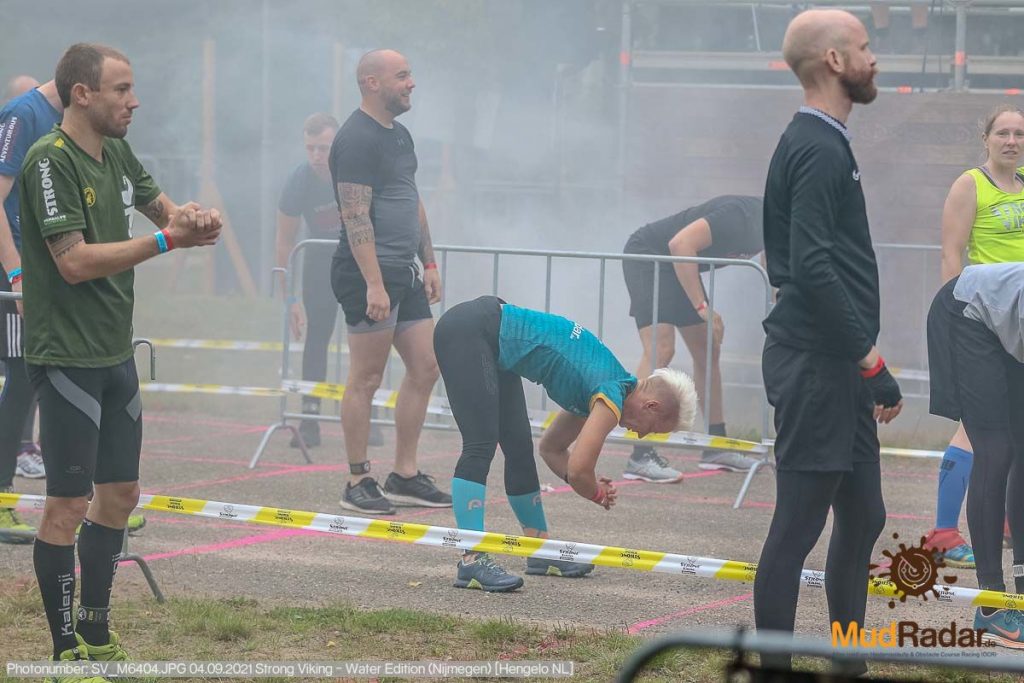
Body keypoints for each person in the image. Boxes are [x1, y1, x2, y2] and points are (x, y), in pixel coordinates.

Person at [19, 43, 220, 675]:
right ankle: (63, 649)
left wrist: (195, 217)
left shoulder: (120, 153)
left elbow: (166, 211)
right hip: (66, 355)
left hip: (115, 351)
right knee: (67, 505)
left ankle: (97, 631)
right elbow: (73, 262)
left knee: (122, 495)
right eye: (121, 89)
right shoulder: (48, 161)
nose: (134, 101)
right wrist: (166, 240)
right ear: (83, 93)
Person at [754, 10, 902, 673]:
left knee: (865, 512)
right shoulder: (815, 144)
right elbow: (810, 265)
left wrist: (860, 358)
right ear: (835, 62)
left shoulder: (825, 140)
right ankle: (776, 667)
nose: (876, 59)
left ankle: (848, 659)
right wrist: (870, 358)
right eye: (866, 49)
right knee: (797, 526)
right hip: (817, 363)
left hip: (837, 364)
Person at [434, 295, 697, 591]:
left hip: (490, 336)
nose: (641, 436)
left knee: (520, 448)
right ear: (651, 406)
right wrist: (596, 492)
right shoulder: (610, 392)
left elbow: (552, 449)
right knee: (480, 444)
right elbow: (579, 470)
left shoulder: (605, 387)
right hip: (469, 331)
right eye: (652, 430)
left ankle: (539, 550)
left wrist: (589, 482)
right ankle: (471, 560)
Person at [329, 49, 450, 515]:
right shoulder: (356, 138)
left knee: (426, 366)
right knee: (367, 377)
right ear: (371, 82)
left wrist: (431, 262)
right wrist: (374, 284)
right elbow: (355, 214)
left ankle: (404, 473)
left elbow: (411, 200)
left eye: (410, 74)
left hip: (406, 271)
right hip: (367, 275)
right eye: (402, 76)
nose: (411, 83)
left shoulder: (399, 135)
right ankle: (357, 479)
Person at [922, 105, 1024, 569]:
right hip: (978, 323)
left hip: (1017, 321)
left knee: (1001, 439)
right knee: (976, 433)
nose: (1011, 140)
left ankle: (1001, 525)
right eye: (1002, 132)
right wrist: (953, 335)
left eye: (1019, 134)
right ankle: (944, 531)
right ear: (986, 138)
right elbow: (952, 254)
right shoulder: (971, 184)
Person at [621, 195, 764, 482]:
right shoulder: (741, 215)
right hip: (649, 256)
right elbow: (680, 244)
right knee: (661, 348)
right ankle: (640, 453)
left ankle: (716, 446)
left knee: (707, 350)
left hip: (677, 267)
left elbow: (773, 270)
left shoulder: (776, 228)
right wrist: (703, 308)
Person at [926, 263, 1024, 648]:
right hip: (965, 312)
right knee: (996, 450)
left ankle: (1020, 591)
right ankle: (991, 606)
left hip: (1007, 327)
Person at [0, 77, 61, 543]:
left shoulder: (62, 120)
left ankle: (86, 501)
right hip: (15, 272)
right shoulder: (23, 115)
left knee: (42, 373)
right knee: (22, 376)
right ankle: (1, 497)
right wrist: (17, 274)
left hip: (44, 267)